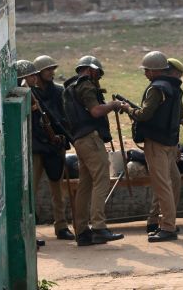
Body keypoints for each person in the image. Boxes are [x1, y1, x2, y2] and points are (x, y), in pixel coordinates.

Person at [122, 51, 183, 242]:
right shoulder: (175, 88)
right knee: (173, 181)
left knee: (163, 185)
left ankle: (167, 227)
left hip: (156, 143)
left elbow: (144, 115)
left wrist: (128, 109)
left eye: (146, 70)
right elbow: (177, 116)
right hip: (170, 142)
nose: (145, 73)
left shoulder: (155, 89)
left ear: (154, 71)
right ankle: (159, 221)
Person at [63, 55, 125, 246]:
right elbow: (96, 111)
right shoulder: (87, 85)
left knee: (85, 185)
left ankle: (82, 232)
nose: (98, 78)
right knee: (102, 179)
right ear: (90, 70)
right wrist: (114, 105)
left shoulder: (70, 88)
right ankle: (99, 227)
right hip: (90, 139)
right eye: (97, 73)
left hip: (79, 140)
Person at [28, 55, 75, 241]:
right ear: (38, 73)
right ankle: (29, 229)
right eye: (48, 70)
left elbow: (64, 116)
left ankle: (61, 226)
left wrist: (62, 137)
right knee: (32, 188)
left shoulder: (58, 91)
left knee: (58, 189)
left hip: (55, 144)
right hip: (38, 146)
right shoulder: (30, 93)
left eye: (52, 69)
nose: (52, 72)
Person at [145, 57, 183, 233]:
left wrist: (176, 144)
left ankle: (165, 221)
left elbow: (174, 118)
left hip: (169, 143)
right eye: (176, 74)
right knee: (163, 183)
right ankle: (158, 221)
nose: (178, 78)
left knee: (172, 181)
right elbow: (150, 115)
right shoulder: (159, 88)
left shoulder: (174, 90)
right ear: (167, 71)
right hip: (158, 142)